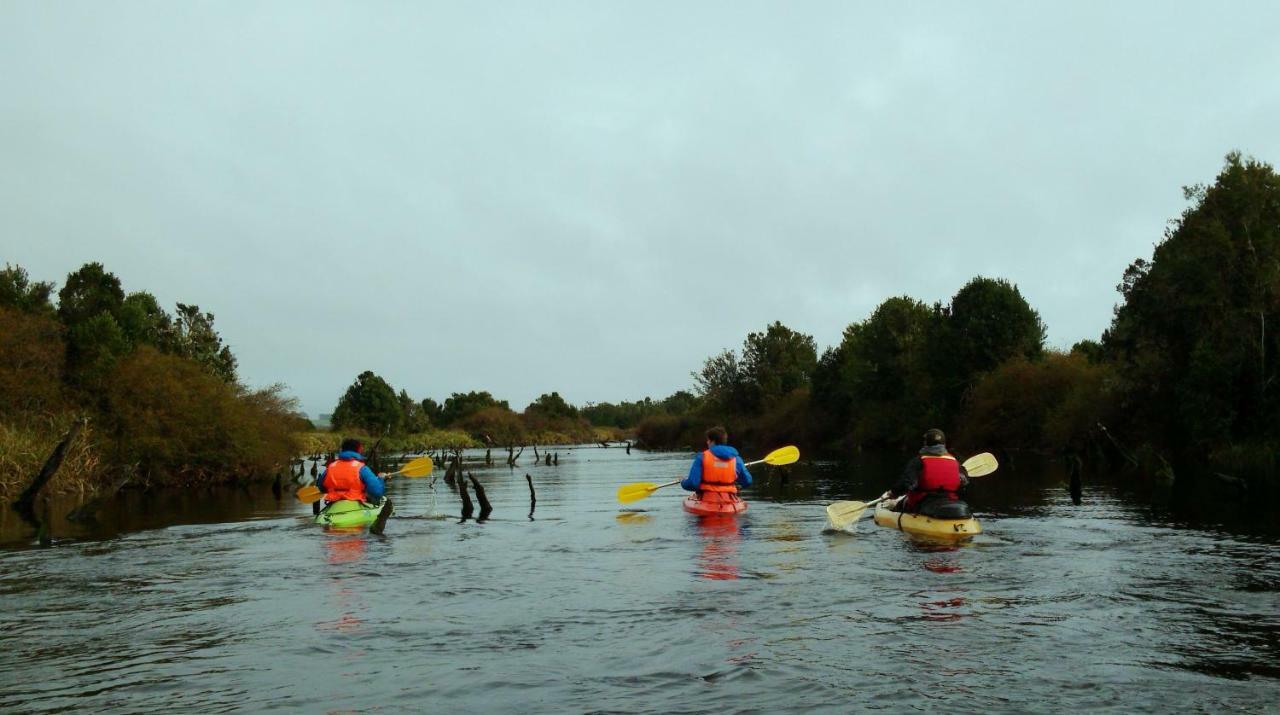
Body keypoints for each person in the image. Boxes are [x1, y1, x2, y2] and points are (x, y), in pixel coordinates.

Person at [882, 428, 968, 513]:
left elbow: (907, 484)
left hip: (923, 502)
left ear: (925, 443)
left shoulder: (918, 461)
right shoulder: (955, 462)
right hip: (951, 501)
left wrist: (893, 493)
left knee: (899, 504)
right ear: (944, 444)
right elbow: (964, 483)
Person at [682, 426, 752, 497]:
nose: (707, 442)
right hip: (729, 498)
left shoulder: (702, 457)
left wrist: (683, 482)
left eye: (708, 440)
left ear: (713, 441)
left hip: (706, 497)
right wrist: (738, 487)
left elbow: (693, 484)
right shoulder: (736, 459)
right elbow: (747, 481)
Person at [317, 438, 386, 504]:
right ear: (358, 450)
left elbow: (321, 488)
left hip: (333, 502)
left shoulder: (331, 466)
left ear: (342, 450)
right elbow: (376, 492)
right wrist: (381, 478)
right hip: (355, 502)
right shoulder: (362, 468)